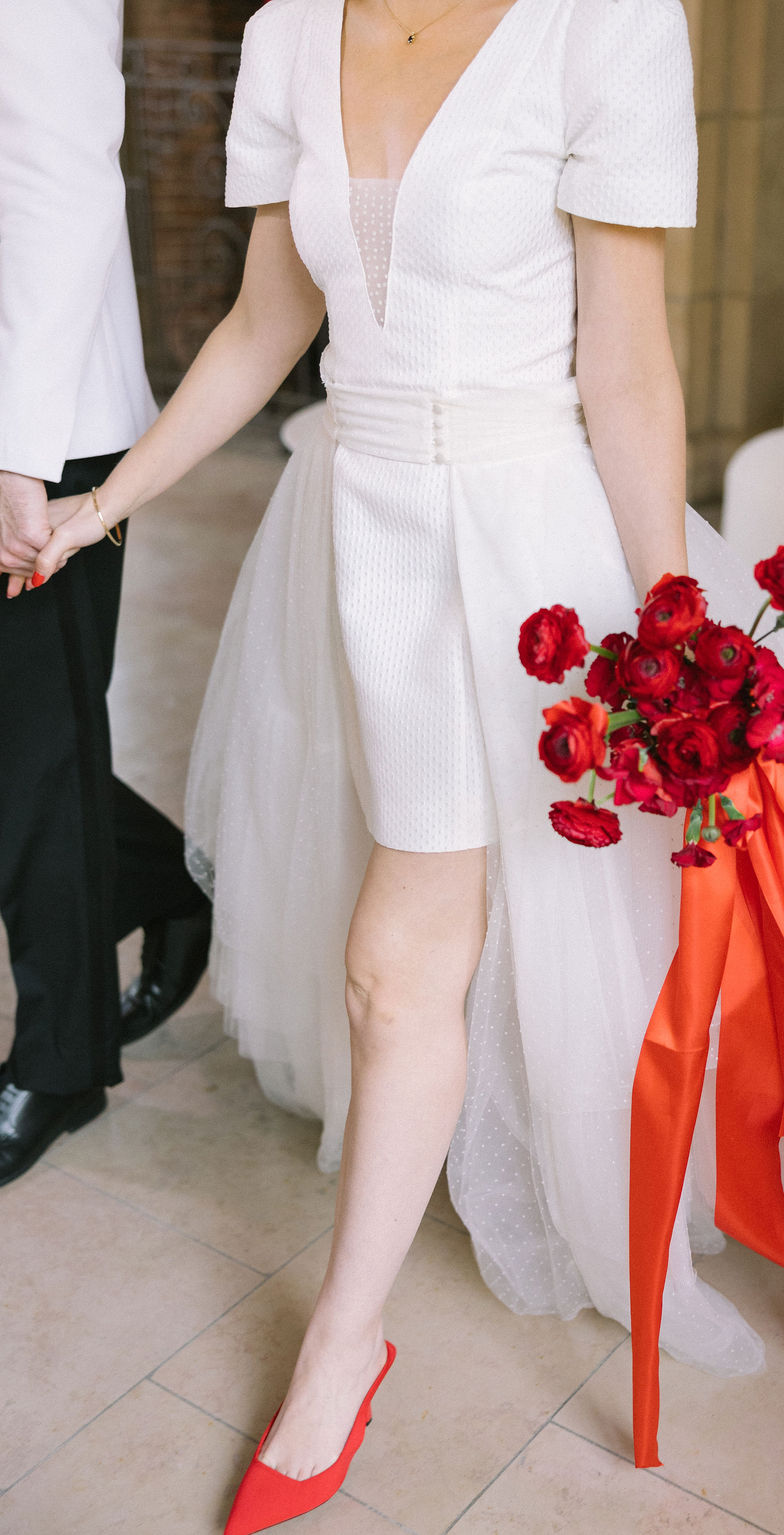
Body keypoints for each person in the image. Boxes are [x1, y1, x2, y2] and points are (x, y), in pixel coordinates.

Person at [31, 0, 784, 1528]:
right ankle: (474, 1188)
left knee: (396, 961)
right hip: (357, 532)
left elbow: (625, 364)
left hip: (528, 554)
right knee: (470, 946)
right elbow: (264, 324)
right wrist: (102, 510)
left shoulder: (602, 22)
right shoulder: (291, 29)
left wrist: (677, 637)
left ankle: (342, 1343)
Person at [0, 0, 212, 1188]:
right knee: (31, 751)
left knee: (33, 747)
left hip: (40, 425)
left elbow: (60, 180)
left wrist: (17, 449)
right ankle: (159, 875)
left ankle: (61, 1059)